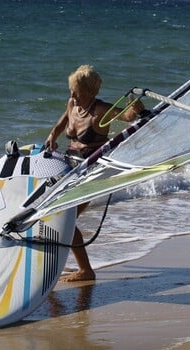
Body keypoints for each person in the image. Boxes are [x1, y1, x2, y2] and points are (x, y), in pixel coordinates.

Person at [44, 64, 145, 282]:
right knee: (53, 214)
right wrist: (53, 134)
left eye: (77, 91)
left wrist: (136, 108)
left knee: (66, 218)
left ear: (90, 92)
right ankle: (58, 263)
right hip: (68, 166)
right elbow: (65, 119)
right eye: (71, 90)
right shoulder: (73, 103)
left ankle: (85, 270)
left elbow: (127, 116)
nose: (72, 95)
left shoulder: (100, 111)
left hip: (90, 171)